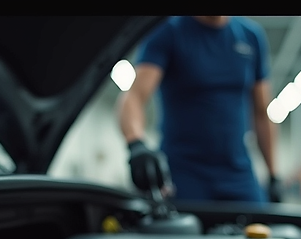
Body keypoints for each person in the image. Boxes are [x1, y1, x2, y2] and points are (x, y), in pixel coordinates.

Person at [117, 16, 280, 204]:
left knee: (263, 229)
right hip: (183, 174)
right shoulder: (168, 30)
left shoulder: (250, 36)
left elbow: (261, 113)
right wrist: (136, 143)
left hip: (238, 175)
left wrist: (273, 174)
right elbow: (134, 97)